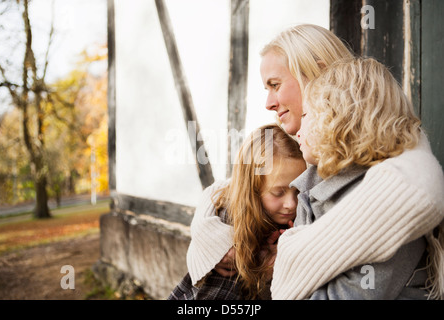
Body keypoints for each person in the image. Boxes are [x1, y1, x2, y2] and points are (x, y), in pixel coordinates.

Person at [189, 24, 444, 300]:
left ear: (316, 76)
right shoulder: (304, 146)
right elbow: (237, 183)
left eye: (275, 85)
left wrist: (288, 260)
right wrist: (209, 230)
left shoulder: (384, 182)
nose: (269, 103)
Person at [291, 57, 434, 299]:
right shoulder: (312, 190)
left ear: (336, 119)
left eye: (305, 114)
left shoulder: (391, 200)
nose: (297, 130)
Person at [168, 124, 307, 300]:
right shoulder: (232, 225)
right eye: (278, 192)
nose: (291, 204)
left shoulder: (280, 219)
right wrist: (257, 265)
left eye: (298, 191)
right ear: (253, 188)